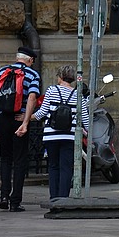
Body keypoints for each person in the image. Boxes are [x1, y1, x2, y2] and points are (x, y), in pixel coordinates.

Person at [0, 46, 41, 212]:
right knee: (20, 160)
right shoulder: (32, 74)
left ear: (17, 58)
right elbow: (32, 97)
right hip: (18, 120)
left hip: (2, 118)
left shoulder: (3, 71)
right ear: (30, 60)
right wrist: (25, 121)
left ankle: (4, 196)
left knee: (5, 158)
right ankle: (15, 201)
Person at [32, 65, 90, 200]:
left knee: (53, 167)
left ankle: (54, 198)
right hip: (69, 136)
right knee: (66, 168)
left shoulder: (52, 90)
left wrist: (27, 118)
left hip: (51, 136)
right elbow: (85, 119)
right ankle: (63, 199)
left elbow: (42, 113)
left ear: (60, 77)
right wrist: (88, 132)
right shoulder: (78, 94)